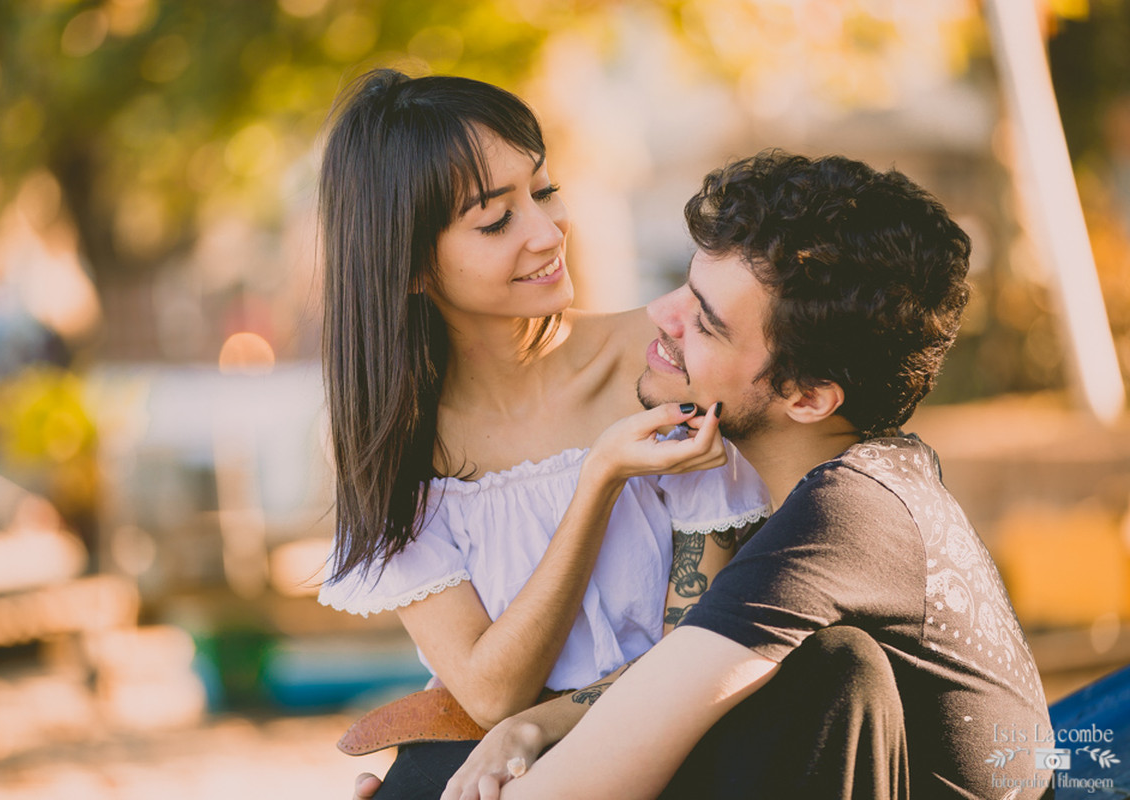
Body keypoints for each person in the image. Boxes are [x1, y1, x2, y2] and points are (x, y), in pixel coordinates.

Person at [427, 152, 1055, 799]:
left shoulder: (839, 524)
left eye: (703, 321)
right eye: (682, 285)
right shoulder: (884, 480)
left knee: (832, 669)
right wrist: (519, 732)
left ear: (807, 397)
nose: (661, 315)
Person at [317, 70, 769, 798]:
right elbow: (490, 691)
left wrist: (535, 730)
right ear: (407, 268)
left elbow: (692, 651)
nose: (546, 231)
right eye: (495, 221)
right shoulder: (392, 445)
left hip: (674, 750)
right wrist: (598, 482)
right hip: (496, 762)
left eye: (545, 191)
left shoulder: (662, 363)